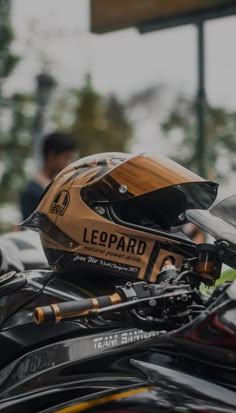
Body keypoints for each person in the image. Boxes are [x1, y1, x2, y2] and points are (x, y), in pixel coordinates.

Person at [20, 131, 77, 220]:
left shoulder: (62, 185)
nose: (69, 163)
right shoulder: (32, 191)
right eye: (67, 157)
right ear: (52, 156)